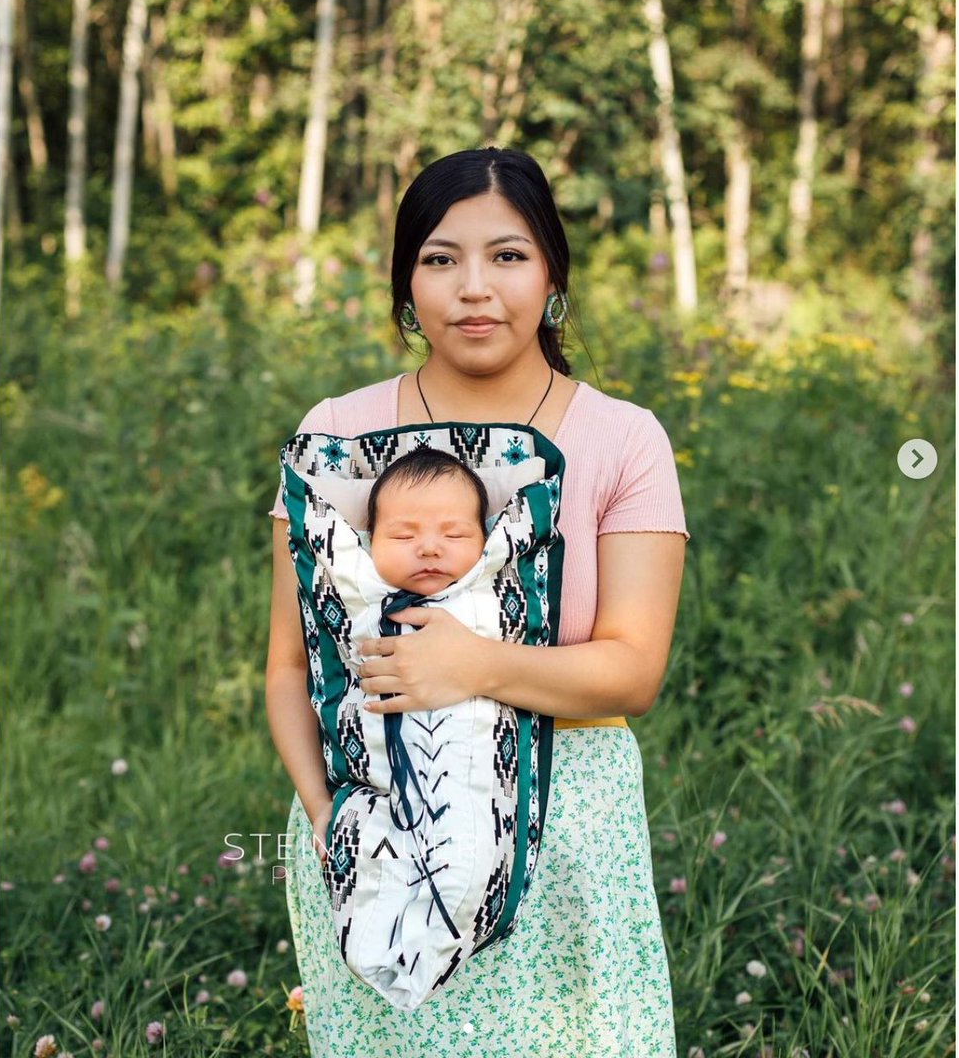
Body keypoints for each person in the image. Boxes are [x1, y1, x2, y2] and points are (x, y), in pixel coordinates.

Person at [266, 145, 690, 1056]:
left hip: (568, 830)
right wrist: (328, 825)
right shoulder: (336, 436)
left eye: (507, 255)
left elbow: (632, 672)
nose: (473, 288)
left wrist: (475, 665)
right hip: (377, 829)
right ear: (403, 284)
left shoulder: (622, 440)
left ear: (552, 277)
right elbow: (292, 665)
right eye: (439, 258)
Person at [365, 446, 491, 597]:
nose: (429, 549)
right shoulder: (349, 586)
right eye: (403, 536)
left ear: (485, 539)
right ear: (371, 540)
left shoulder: (502, 597)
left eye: (454, 535)